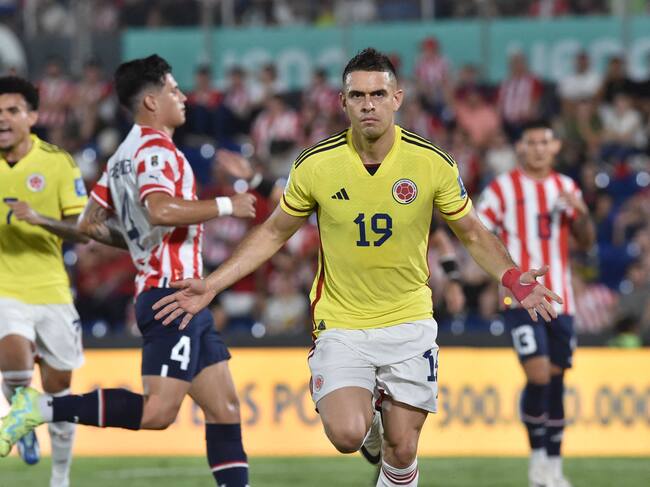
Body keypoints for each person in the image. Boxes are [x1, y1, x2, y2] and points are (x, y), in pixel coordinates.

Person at [152, 48, 561, 487]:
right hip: (342, 322)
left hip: (409, 320)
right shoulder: (316, 165)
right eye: (358, 95)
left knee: (403, 450)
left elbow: (474, 233)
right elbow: (273, 232)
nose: (369, 104)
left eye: (378, 93)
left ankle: (385, 435)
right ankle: (371, 428)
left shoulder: (431, 162)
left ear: (397, 98)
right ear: (343, 102)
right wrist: (212, 284)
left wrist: (512, 276)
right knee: (348, 434)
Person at [0, 55, 256, 487]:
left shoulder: (121, 155)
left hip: (181, 294)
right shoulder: (156, 150)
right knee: (158, 413)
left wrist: (136, 241)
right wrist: (229, 204)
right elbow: (160, 211)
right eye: (175, 90)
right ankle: (41, 409)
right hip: (172, 295)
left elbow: (89, 225)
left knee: (225, 408)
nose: (183, 97)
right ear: (152, 101)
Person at [477, 120, 595, 487]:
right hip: (521, 298)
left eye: (545, 142)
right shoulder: (502, 189)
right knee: (539, 374)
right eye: (532, 142)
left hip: (562, 299)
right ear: (521, 148)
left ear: (556, 147)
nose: (539, 148)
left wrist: (582, 212)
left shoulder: (567, 187)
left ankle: (554, 467)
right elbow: (478, 234)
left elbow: (586, 242)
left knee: (557, 380)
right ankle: (537, 459)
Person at [0, 76, 89, 487]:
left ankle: (61, 476)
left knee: (59, 387)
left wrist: (39, 220)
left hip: (52, 287)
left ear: (33, 116)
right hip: (5, 288)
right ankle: (23, 421)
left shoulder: (57, 162)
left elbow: (83, 229)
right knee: (13, 350)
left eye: (12, 110)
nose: (2, 118)